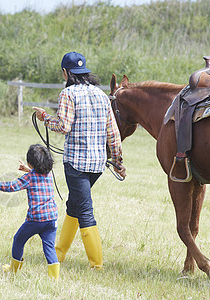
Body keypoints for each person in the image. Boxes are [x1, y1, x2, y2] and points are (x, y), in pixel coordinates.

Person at [33, 51, 125, 270]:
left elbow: (63, 127)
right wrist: (118, 160)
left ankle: (97, 265)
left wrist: (45, 118)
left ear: (66, 72)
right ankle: (59, 253)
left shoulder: (68, 94)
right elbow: (113, 132)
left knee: (84, 209)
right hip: (97, 165)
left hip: (76, 164)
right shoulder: (102, 95)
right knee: (74, 204)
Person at [0, 144, 60, 279]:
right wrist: (28, 170)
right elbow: (37, 176)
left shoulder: (29, 178)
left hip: (35, 220)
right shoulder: (48, 174)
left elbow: (12, 186)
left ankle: (13, 269)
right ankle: (54, 277)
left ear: (30, 162)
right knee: (49, 248)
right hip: (51, 219)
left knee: (19, 239)